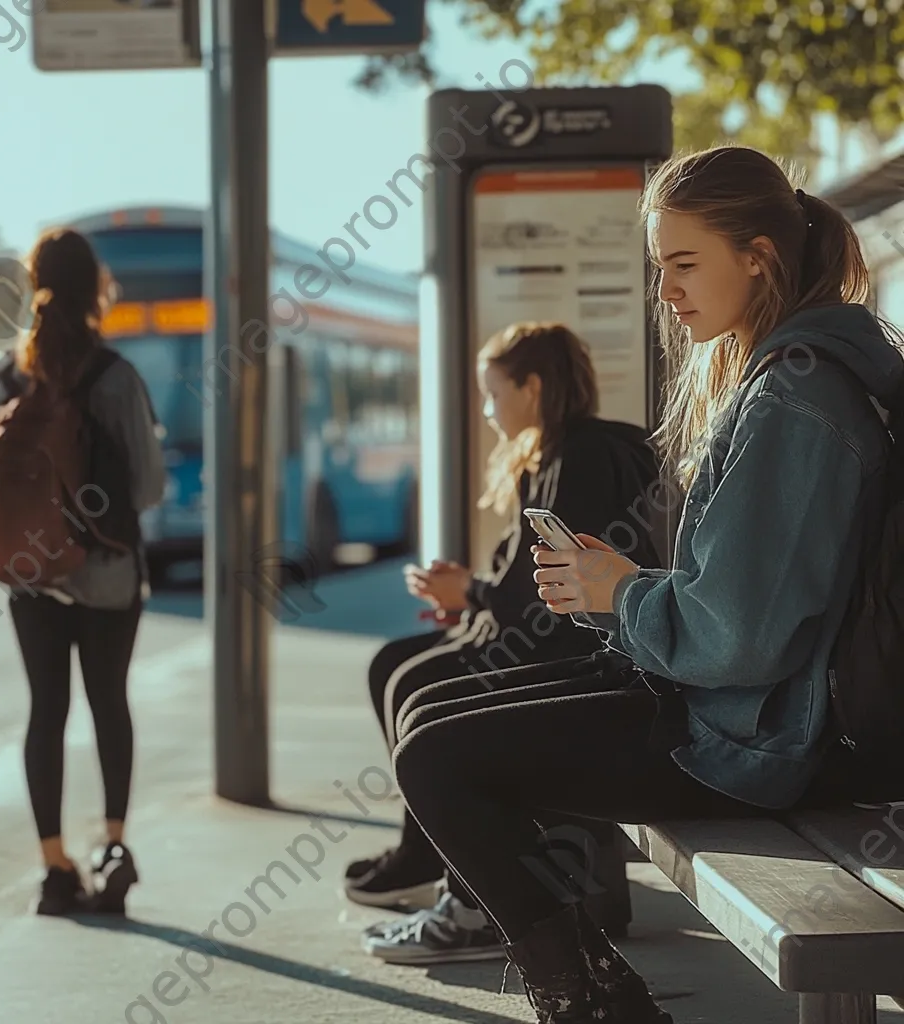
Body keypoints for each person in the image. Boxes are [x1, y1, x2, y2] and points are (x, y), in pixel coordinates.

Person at [389, 144, 904, 1023]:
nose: (665, 290)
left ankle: (589, 1002)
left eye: (683, 264)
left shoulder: (796, 397)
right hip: (760, 711)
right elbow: (752, 600)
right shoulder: (802, 370)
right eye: (658, 266)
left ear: (759, 257)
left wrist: (618, 594)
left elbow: (742, 635)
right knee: (431, 718)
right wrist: (618, 591)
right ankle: (594, 993)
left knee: (437, 757)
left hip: (767, 739)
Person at [344, 322, 663, 960]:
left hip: (573, 649)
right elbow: (523, 583)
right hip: (545, 637)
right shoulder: (554, 453)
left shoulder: (580, 458)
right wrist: (469, 600)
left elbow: (542, 593)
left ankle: (468, 891)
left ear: (532, 387)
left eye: (493, 394)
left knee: (416, 681)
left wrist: (472, 595)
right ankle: (438, 859)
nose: (487, 411)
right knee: (396, 665)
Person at [0, 228, 165, 917]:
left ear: (31, 281)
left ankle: (52, 868)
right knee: (110, 705)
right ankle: (113, 847)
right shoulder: (116, 376)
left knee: (46, 712)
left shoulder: (1, 373)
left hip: (28, 576)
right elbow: (149, 488)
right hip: (105, 576)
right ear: (97, 288)